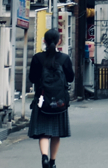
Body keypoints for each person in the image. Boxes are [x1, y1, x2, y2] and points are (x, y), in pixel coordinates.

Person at [28, 28, 74, 168]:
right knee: (56, 133)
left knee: (44, 132)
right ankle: (53, 162)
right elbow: (71, 78)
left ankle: (44, 157)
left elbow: (33, 78)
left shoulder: (37, 58)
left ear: (44, 41)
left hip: (42, 100)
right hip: (59, 102)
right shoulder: (65, 58)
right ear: (59, 41)